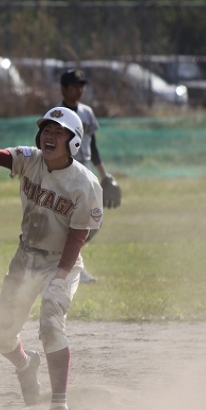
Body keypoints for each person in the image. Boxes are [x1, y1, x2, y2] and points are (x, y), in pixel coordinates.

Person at [0, 107, 103, 410]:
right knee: (1, 337)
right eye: (46, 130)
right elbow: (1, 157)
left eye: (58, 132)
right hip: (25, 258)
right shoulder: (31, 159)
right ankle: (25, 364)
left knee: (50, 322)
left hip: (60, 261)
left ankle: (59, 407)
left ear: (74, 141)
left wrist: (60, 279)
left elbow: (77, 237)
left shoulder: (85, 183)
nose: (49, 136)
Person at [57, 69, 121, 283]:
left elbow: (92, 146)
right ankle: (71, 266)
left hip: (85, 172)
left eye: (82, 86)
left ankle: (67, 261)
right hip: (64, 172)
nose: (80, 90)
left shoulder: (87, 112)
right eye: (75, 86)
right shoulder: (56, 114)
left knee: (95, 218)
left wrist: (104, 175)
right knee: (71, 221)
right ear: (64, 88)